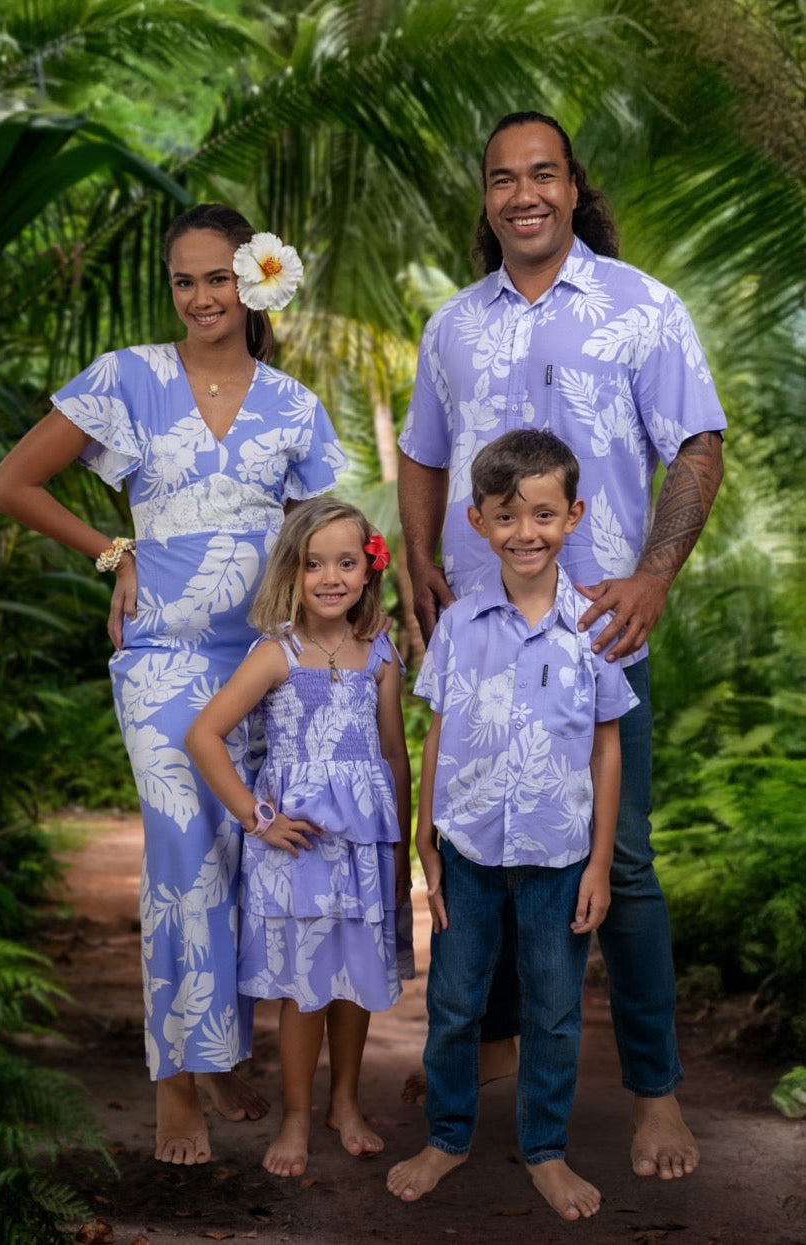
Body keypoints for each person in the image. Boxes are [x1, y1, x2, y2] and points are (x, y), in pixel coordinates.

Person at [397, 111, 726, 1180]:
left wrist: (655, 574)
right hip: (478, 641)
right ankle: (488, 1049)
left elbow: (697, 446)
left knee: (617, 868)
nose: (522, 193)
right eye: (502, 178)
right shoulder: (451, 325)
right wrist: (415, 560)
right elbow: (420, 456)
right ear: (485, 196)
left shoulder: (643, 309)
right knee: (479, 852)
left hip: (593, 631)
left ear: (573, 186)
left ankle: (654, 1095)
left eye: (542, 174)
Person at [0, 203, 348, 1166]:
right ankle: (175, 1084)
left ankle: (217, 1046)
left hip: (262, 663)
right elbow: (10, 484)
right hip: (162, 662)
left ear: (256, 281)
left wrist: (350, 634)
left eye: (218, 279)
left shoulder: (294, 407)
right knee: (183, 851)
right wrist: (114, 552)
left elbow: (328, 538)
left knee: (241, 848)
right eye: (183, 281)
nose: (199, 298)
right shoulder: (128, 379)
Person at [388, 430, 638, 1218]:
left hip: (560, 855)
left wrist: (599, 864)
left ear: (573, 515)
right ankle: (448, 1135)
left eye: (541, 514)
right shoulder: (459, 627)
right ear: (477, 520)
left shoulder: (593, 626)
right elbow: (437, 728)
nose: (524, 531)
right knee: (456, 1003)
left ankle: (544, 1149)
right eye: (506, 516)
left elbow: (606, 750)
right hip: (466, 853)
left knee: (554, 1011)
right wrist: (427, 838)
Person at [185, 499, 412, 1178]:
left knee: (354, 980)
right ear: (293, 569)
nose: (330, 576)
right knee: (303, 984)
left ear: (367, 570)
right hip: (299, 849)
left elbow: (393, 755)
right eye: (314, 563)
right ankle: (293, 1116)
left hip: (363, 849)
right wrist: (258, 816)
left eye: (346, 562)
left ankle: (344, 1103)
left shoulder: (381, 653)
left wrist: (397, 851)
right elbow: (203, 735)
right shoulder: (275, 653)